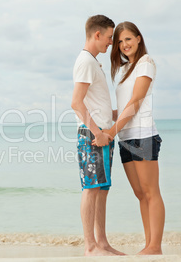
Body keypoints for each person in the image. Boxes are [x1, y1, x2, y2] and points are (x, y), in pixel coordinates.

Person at [103, 21, 165, 255]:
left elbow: (136, 102)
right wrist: (103, 115)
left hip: (143, 136)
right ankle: (148, 244)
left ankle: (155, 247)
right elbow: (125, 107)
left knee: (151, 192)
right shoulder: (124, 70)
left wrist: (111, 131)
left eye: (128, 39)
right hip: (126, 137)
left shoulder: (145, 63)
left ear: (139, 38)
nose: (123, 45)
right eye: (119, 42)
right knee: (140, 194)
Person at [71, 15, 124, 256]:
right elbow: (76, 103)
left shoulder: (93, 62)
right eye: (110, 36)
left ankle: (102, 243)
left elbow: (93, 102)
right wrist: (98, 133)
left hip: (102, 135)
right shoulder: (85, 61)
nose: (112, 42)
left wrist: (117, 113)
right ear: (97, 35)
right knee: (91, 189)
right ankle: (90, 246)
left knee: (102, 189)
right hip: (93, 136)